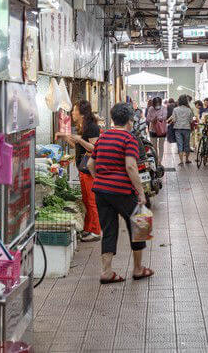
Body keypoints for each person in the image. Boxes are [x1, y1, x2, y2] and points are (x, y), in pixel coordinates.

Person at [87, 103, 154, 283]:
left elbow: (90, 165)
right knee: (140, 225)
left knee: (108, 230)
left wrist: (101, 180)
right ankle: (138, 269)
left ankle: (106, 272)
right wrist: (141, 193)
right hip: (123, 191)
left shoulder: (103, 137)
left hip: (101, 191)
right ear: (130, 121)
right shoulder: (128, 138)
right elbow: (131, 166)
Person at [56, 100, 101, 242]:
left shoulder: (92, 127)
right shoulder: (83, 126)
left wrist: (79, 139)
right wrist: (64, 136)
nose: (72, 113)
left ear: (81, 113)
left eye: (74, 110)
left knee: (92, 201)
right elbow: (76, 144)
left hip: (90, 170)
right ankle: (88, 228)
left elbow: (94, 148)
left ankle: (96, 231)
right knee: (86, 200)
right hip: (83, 168)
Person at [168, 95, 194, 165]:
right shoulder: (189, 110)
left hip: (178, 129)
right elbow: (191, 120)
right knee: (187, 144)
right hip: (187, 129)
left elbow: (174, 119)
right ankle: (187, 159)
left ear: (179, 101)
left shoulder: (175, 109)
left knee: (180, 144)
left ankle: (181, 161)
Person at [145, 97, 167, 161]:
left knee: (161, 146)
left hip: (162, 129)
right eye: (156, 104)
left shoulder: (164, 108)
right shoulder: (151, 109)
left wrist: (159, 118)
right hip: (153, 129)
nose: (157, 105)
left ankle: (160, 160)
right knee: (154, 147)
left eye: (158, 104)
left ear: (160, 103)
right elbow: (148, 119)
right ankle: (156, 159)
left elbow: (165, 117)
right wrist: (153, 119)